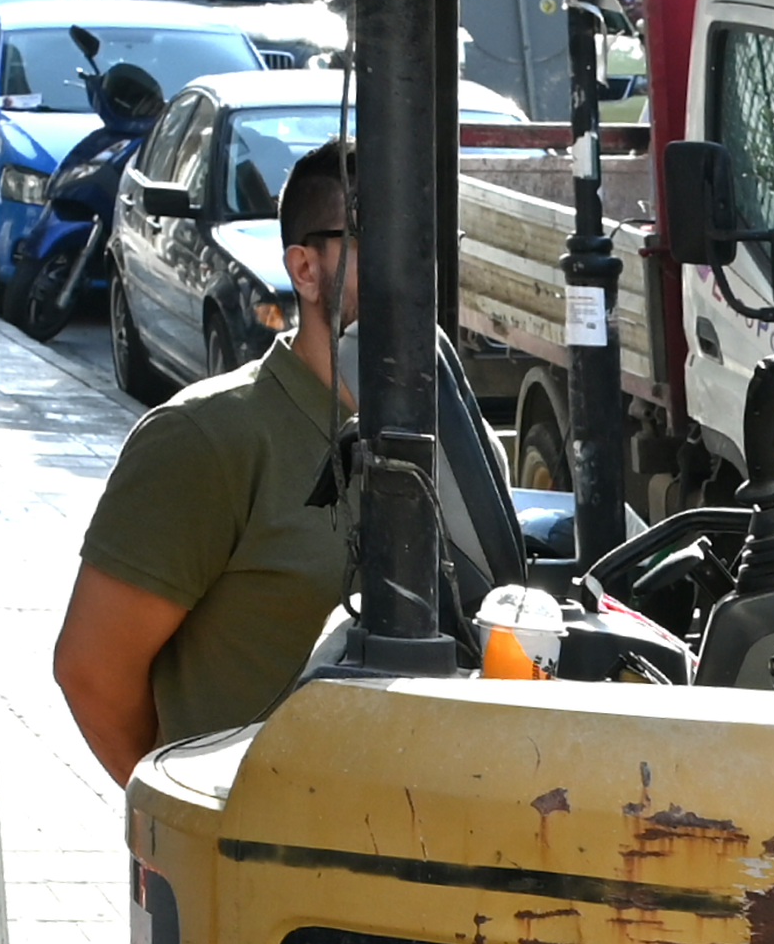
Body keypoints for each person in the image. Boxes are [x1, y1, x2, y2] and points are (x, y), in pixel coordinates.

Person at [54, 140, 500, 780]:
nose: (413, 267)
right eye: (382, 239)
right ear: (306, 268)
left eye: (428, 240)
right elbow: (92, 672)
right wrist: (196, 823)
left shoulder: (459, 439)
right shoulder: (208, 439)